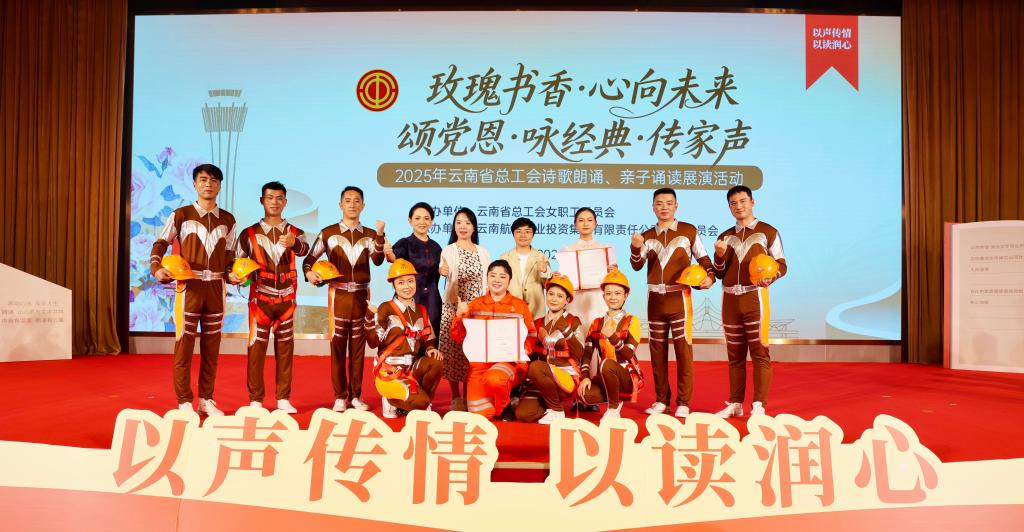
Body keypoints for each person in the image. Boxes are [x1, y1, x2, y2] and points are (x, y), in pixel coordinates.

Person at [150, 163, 238, 415]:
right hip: (189, 287)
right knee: (184, 345)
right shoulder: (181, 214)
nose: (208, 184)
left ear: (219, 186)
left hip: (216, 289)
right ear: (195, 184)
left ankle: (206, 399)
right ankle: (184, 401)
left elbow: (230, 255)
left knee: (212, 348)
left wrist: (233, 274)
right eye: (203, 180)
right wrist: (156, 268)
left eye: (213, 180)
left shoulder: (228, 219)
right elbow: (161, 243)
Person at [629, 188, 715, 418]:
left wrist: (710, 277)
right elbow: (637, 265)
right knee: (657, 352)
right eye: (659, 203)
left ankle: (684, 402)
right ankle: (661, 401)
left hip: (679, 299)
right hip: (655, 300)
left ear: (676, 206)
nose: (664, 207)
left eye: (669, 203)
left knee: (683, 351)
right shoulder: (646, 235)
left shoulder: (689, 231)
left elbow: (705, 260)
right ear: (653, 207)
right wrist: (635, 246)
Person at [303, 186, 386, 412]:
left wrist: (380, 235)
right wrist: (309, 273)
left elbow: (378, 260)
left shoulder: (371, 234)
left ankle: (356, 396)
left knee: (358, 349)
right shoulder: (328, 233)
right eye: (347, 200)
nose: (352, 204)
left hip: (361, 295)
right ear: (340, 205)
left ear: (363, 206)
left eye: (357, 200)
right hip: (337, 296)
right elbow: (309, 260)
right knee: (338, 347)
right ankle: (340, 396)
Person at [232, 181, 309, 414]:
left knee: (285, 351)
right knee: (256, 352)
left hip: (287, 301)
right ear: (262, 201)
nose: (274, 202)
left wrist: (295, 244)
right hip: (260, 301)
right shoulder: (248, 234)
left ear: (285, 202)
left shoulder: (296, 232)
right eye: (270, 197)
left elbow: (305, 251)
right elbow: (237, 265)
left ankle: (283, 398)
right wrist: (240, 278)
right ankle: (255, 400)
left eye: (279, 198)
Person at [712, 185, 787, 418]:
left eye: (743, 201)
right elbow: (719, 273)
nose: (739, 206)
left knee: (759, 352)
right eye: (733, 203)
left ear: (752, 202)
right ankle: (735, 403)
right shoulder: (725, 236)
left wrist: (771, 277)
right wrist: (719, 255)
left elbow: (782, 264)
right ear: (729, 207)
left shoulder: (768, 231)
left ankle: (758, 405)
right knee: (734, 355)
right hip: (729, 299)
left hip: (755, 297)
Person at [450, 260, 538, 420]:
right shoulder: (475, 305)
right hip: (479, 366)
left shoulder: (520, 306)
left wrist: (524, 350)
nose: (497, 280)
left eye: (502, 277)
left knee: (495, 379)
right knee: (481, 414)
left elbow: (531, 335)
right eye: (493, 276)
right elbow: (459, 337)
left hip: (509, 362)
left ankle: (505, 405)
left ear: (509, 280)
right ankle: (497, 399)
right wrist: (459, 316)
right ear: (487, 278)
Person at [556, 207, 619, 412]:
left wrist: (613, 272)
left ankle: (594, 393)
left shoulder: (606, 250)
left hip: (596, 300)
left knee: (596, 343)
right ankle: (576, 392)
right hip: (576, 300)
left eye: (589, 220)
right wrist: (559, 275)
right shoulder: (567, 251)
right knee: (576, 343)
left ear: (596, 223)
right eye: (581, 220)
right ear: (575, 224)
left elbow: (613, 280)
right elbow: (564, 280)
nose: (585, 223)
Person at [366, 259, 444, 418]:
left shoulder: (421, 309)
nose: (407, 286)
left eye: (410, 281)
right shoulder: (386, 308)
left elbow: (428, 339)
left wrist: (430, 348)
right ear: (393, 285)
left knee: (436, 361)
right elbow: (373, 342)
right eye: (401, 283)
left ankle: (418, 402)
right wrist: (369, 317)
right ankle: (391, 400)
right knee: (423, 403)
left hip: (412, 368)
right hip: (390, 371)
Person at [437, 208, 489, 411]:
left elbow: (487, 280)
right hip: (454, 308)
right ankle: (455, 396)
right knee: (453, 352)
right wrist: (442, 270)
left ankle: (469, 395)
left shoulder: (483, 252)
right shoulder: (448, 250)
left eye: (467, 222)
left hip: (476, 311)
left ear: (474, 227)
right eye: (459, 222)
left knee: (471, 354)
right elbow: (443, 269)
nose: (463, 226)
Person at [515, 275, 586, 424]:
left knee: (536, 367)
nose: (554, 299)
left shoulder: (573, 321)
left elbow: (579, 353)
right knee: (524, 414)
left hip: (566, 377)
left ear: (567, 300)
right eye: (551, 294)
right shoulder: (538, 322)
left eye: (560, 296)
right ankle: (551, 403)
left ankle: (557, 411)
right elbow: (530, 353)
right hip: (542, 379)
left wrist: (566, 330)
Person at [577, 271, 644, 422]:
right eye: (608, 293)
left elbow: (628, 354)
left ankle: (613, 408)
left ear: (626, 295)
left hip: (626, 376)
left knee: (607, 363)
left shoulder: (632, 321)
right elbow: (587, 353)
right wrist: (585, 377)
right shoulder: (596, 323)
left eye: (618, 293)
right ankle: (612, 394)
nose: (613, 297)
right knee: (584, 394)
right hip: (605, 374)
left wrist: (613, 338)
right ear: (603, 297)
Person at [385, 202, 442, 337]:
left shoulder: (436, 247)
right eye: (417, 218)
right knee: (409, 337)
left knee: (432, 338)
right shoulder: (405, 243)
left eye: (426, 218)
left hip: (433, 300)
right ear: (410, 221)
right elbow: (393, 258)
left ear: (431, 222)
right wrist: (388, 252)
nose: (422, 222)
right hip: (410, 297)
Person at [499, 217, 551, 319]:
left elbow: (548, 286)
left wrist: (545, 271)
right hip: (511, 310)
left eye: (527, 231)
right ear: (513, 234)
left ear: (533, 235)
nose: (523, 235)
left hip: (536, 311)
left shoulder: (541, 257)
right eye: (519, 231)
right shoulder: (504, 257)